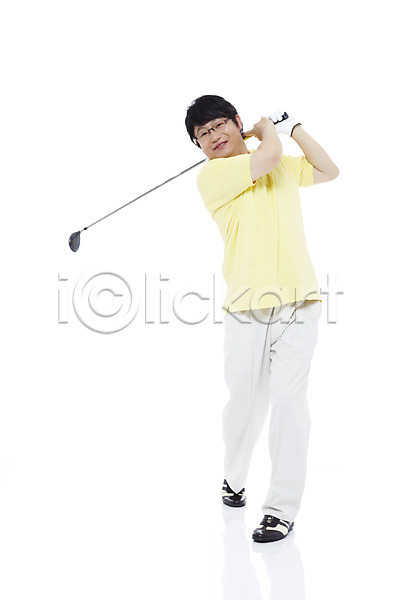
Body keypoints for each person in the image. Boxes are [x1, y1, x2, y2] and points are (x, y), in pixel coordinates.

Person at [185, 95, 339, 543]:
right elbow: (267, 155)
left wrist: (296, 129)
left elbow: (329, 170)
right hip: (246, 309)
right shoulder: (212, 176)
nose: (213, 137)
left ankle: (280, 510)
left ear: (236, 122)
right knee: (245, 407)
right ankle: (234, 478)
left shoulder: (280, 164)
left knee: (290, 403)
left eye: (218, 125)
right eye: (202, 135)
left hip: (299, 303)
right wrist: (267, 127)